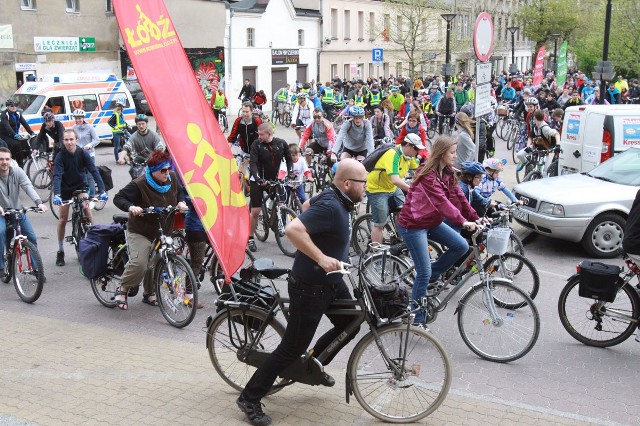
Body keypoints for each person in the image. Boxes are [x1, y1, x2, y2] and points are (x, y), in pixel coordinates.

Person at [236, 159, 368, 426]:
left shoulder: (335, 199)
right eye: (363, 182)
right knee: (290, 347)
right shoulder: (332, 205)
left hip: (332, 281)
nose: (366, 187)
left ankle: (312, 365)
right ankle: (249, 397)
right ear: (347, 184)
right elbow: (293, 228)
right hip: (310, 286)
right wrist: (320, 257)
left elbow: (306, 208)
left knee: (351, 321)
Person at [397, 136, 479, 325]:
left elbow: (459, 196)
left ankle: (430, 276)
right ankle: (417, 318)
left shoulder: (448, 173)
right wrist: (462, 221)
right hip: (413, 225)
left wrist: (475, 217)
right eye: (452, 152)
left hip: (432, 222)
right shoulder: (427, 175)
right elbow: (442, 202)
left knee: (461, 246)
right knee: (423, 272)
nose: (455, 155)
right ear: (442, 153)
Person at [112, 151, 188, 310]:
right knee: (141, 263)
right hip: (142, 230)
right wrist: (131, 207)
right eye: (163, 170)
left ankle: (149, 293)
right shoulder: (139, 184)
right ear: (153, 171)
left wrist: (181, 202)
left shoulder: (172, 178)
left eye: (168, 169)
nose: (167, 173)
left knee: (157, 261)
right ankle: (123, 288)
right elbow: (118, 198)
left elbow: (180, 191)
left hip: (163, 230)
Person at [52, 129, 108, 267]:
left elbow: (94, 170)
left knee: (87, 210)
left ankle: (94, 240)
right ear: (63, 141)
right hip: (65, 189)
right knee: (63, 218)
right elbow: (57, 175)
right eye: (66, 140)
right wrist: (57, 195)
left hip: (80, 186)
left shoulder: (83, 153)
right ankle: (60, 251)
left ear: (76, 140)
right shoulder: (60, 156)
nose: (69, 142)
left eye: (71, 139)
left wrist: (102, 190)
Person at [0, 147, 48, 278]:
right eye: (1, 159)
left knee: (30, 236)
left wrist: (39, 202)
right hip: (1, 212)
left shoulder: (17, 171)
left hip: (16, 209)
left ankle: (36, 269)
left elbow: (27, 186)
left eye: (7, 159)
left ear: (11, 160)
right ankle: (1, 266)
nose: (4, 162)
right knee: (1, 231)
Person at [366, 134, 422, 244]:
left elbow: (419, 170)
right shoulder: (393, 154)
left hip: (391, 188)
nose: (418, 151)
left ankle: (401, 239)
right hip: (377, 190)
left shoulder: (409, 157)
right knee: (380, 224)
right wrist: (414, 190)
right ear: (408, 145)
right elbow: (395, 180)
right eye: (416, 148)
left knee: (403, 211)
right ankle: (376, 255)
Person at [248, 123, 293, 252]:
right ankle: (251, 237)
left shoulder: (281, 143)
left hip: (273, 179)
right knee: (255, 211)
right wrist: (258, 178)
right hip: (257, 181)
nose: (259, 136)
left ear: (269, 134)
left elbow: (289, 159)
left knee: (280, 203)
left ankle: (276, 221)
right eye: (258, 134)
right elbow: (253, 163)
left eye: (261, 134)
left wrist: (290, 173)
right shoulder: (256, 144)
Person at [72, 109, 100, 195]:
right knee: (81, 177)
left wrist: (90, 145)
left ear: (83, 118)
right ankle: (84, 197)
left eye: (79, 118)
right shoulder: (74, 128)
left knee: (89, 176)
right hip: (79, 155)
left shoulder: (89, 127)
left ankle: (92, 197)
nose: (78, 120)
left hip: (89, 155)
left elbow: (97, 140)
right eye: (76, 118)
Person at [0, 99, 35, 166]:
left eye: (15, 105)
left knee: (23, 146)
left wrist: (31, 132)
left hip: (14, 136)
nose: (14, 107)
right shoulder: (4, 114)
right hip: (5, 136)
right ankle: (17, 164)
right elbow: (7, 126)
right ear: (7, 107)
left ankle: (19, 165)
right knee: (16, 145)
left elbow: (24, 123)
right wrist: (15, 135)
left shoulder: (18, 113)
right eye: (11, 106)